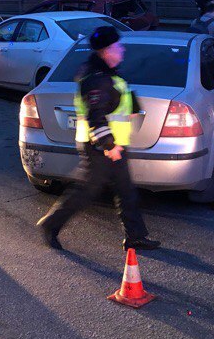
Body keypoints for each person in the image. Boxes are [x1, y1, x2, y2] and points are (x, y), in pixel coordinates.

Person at [37, 25, 160, 252]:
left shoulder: (108, 73)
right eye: (118, 46)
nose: (122, 50)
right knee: (88, 191)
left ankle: (135, 236)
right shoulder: (97, 79)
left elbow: (120, 96)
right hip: (100, 147)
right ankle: (51, 224)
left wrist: (132, 106)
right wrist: (110, 146)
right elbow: (96, 117)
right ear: (107, 50)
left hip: (113, 145)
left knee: (126, 189)